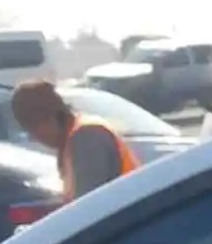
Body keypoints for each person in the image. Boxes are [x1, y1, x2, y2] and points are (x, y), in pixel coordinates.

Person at [8, 80, 139, 200]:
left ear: (52, 118)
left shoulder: (88, 137)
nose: (36, 138)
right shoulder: (70, 141)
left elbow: (88, 207)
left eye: (33, 129)